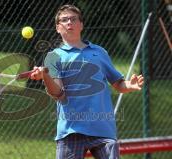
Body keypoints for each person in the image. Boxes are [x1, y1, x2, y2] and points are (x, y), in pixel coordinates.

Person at [30, 4, 144, 159]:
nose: (69, 22)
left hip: (103, 130)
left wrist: (130, 85)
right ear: (58, 27)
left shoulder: (99, 52)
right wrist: (46, 76)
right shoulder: (53, 57)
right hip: (71, 130)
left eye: (73, 19)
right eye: (64, 20)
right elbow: (58, 93)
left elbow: (119, 84)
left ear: (81, 25)